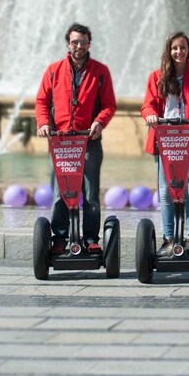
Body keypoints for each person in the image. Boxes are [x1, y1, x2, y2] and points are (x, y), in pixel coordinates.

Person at [35, 23, 117, 255]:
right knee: (61, 193)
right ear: (68, 44)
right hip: (61, 142)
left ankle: (91, 238)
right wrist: (43, 124)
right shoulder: (53, 70)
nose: (78, 46)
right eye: (74, 42)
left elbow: (109, 105)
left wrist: (99, 122)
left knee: (90, 194)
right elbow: (42, 101)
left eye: (82, 42)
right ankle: (59, 238)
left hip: (88, 140)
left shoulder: (100, 72)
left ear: (89, 43)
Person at [141, 32, 189, 257]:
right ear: (168, 51)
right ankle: (168, 240)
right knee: (165, 192)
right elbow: (147, 106)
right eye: (174, 48)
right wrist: (151, 115)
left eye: (182, 47)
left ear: (188, 50)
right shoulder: (157, 77)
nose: (179, 52)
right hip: (165, 141)